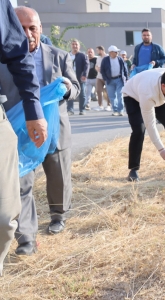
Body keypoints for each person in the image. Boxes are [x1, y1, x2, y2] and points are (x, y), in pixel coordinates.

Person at [2, 6, 79, 256]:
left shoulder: (60, 56)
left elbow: (76, 88)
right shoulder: (5, 60)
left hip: (55, 131)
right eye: (21, 28)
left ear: (40, 29)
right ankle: (27, 239)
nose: (27, 33)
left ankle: (58, 215)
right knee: (21, 185)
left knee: (57, 176)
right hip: (21, 134)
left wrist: (67, 89)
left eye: (32, 28)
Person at [0, 0, 47, 275]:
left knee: (6, 217)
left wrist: (34, 108)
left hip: (16, 126)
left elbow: (17, 56)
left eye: (33, 27)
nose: (28, 32)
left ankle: (27, 236)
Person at [121, 68, 165, 182]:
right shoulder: (147, 93)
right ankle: (133, 170)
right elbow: (150, 124)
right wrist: (161, 149)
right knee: (139, 129)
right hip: (133, 96)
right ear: (164, 86)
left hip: (161, 95)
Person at [100, 45, 128, 116]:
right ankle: (115, 110)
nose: (117, 53)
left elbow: (125, 69)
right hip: (109, 80)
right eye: (116, 52)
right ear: (111, 52)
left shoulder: (120, 59)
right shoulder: (105, 60)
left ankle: (121, 110)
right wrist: (105, 78)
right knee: (112, 96)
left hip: (119, 79)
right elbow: (102, 70)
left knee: (120, 95)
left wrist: (126, 78)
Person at [66, 39, 89, 115]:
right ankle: (70, 109)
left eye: (76, 44)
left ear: (79, 46)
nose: (74, 46)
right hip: (70, 78)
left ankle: (82, 109)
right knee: (70, 93)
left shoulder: (82, 55)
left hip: (80, 77)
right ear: (71, 46)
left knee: (82, 94)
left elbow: (86, 66)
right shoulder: (68, 55)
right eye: (73, 44)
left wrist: (84, 75)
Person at [95, 45, 111, 111]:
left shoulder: (108, 57)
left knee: (108, 91)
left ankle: (109, 105)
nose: (97, 52)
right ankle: (100, 105)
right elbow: (96, 66)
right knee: (98, 91)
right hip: (99, 77)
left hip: (106, 77)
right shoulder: (98, 58)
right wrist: (97, 68)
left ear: (101, 50)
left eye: (97, 50)